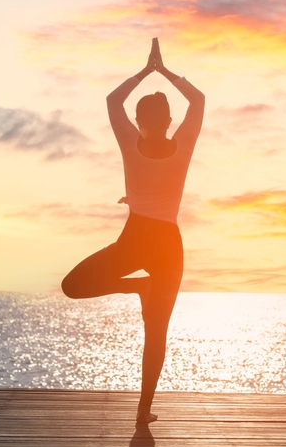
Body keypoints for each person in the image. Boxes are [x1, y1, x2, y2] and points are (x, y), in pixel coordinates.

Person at [61, 38, 204, 425]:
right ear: (168, 121)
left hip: (137, 238)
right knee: (156, 332)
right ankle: (143, 413)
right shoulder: (184, 143)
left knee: (73, 285)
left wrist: (145, 72)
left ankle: (144, 410)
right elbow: (199, 101)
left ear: (140, 122)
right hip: (166, 245)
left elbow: (112, 102)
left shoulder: (130, 141)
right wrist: (166, 72)